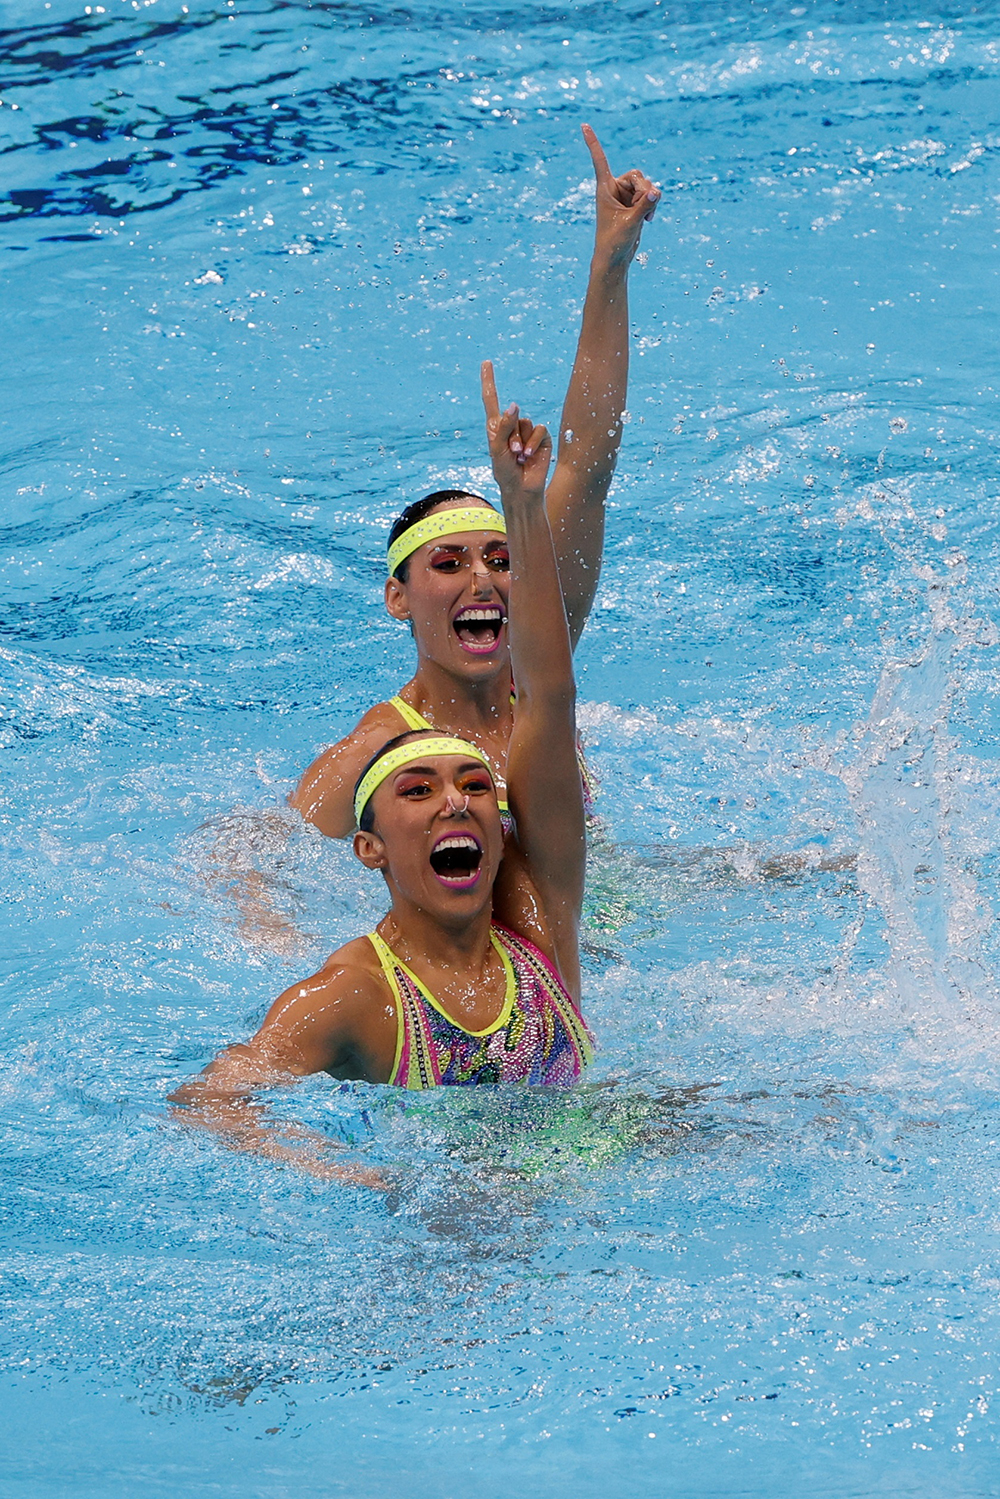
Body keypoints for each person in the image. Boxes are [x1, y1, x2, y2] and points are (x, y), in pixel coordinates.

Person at [170, 365, 592, 1179]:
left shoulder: (544, 928)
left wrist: (525, 502)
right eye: (419, 790)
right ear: (369, 849)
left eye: (473, 787)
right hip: (451, 1223)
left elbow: (552, 689)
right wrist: (353, 1171)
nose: (454, 805)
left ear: (504, 832)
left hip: (595, 1165)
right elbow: (207, 1100)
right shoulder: (355, 993)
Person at [289, 125, 659, 839]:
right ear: (398, 596)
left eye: (499, 558)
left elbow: (585, 470)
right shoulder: (380, 752)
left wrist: (610, 267)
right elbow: (264, 851)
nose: (483, 581)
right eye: (449, 563)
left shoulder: (538, 672)